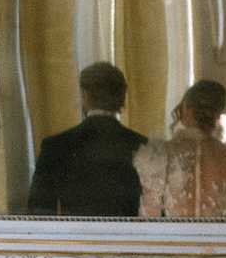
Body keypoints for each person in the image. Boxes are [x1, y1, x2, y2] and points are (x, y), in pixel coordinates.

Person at [26, 61, 145, 217]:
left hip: (77, 239)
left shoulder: (55, 146)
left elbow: (38, 211)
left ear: (85, 95)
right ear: (122, 97)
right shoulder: (143, 145)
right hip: (130, 239)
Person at [136, 78, 226, 219]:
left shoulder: (158, 154)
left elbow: (149, 219)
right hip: (215, 240)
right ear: (218, 113)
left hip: (175, 240)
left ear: (186, 109)